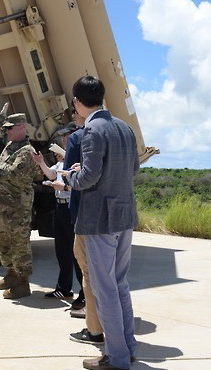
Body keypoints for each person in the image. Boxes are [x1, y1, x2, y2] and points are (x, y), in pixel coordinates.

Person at [65, 76, 139, 370]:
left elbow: (88, 178)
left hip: (100, 221)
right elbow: (132, 168)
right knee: (120, 285)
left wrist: (71, 175)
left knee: (104, 288)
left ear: (77, 102)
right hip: (124, 216)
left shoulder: (92, 130)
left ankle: (117, 358)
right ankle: (128, 348)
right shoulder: (124, 127)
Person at [0, 106, 39, 299]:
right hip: (2, 205)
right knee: (2, 241)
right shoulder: (11, 143)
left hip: (17, 208)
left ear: (21, 127)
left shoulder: (27, 152)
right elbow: (3, 129)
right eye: (6, 128)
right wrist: (2, 117)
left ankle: (23, 283)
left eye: (10, 128)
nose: (6, 131)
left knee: (19, 244)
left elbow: (13, 175)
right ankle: (11, 274)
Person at [31, 122, 84, 306]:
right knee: (62, 250)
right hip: (60, 207)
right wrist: (41, 163)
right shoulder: (62, 161)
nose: (63, 139)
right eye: (62, 136)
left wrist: (65, 187)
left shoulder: (79, 160)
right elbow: (51, 175)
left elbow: (79, 183)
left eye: (66, 136)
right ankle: (64, 288)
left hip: (72, 206)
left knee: (77, 252)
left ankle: (84, 294)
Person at [65, 104, 105, 346]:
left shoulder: (80, 136)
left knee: (87, 271)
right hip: (113, 216)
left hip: (85, 211)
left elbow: (72, 174)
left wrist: (72, 175)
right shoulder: (122, 130)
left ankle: (94, 329)